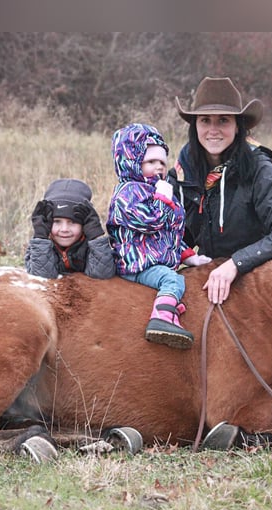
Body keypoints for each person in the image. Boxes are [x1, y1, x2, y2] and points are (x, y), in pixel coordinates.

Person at [171, 76, 272, 305]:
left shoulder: (259, 170)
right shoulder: (183, 171)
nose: (213, 130)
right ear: (195, 126)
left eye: (223, 120)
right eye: (205, 120)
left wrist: (236, 263)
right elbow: (175, 231)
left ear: (237, 127)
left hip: (257, 275)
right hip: (207, 275)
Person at [106, 123, 212, 349]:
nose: (158, 168)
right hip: (138, 265)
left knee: (185, 280)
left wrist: (188, 256)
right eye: (150, 161)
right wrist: (163, 200)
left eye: (162, 162)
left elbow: (169, 233)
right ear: (132, 162)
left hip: (156, 261)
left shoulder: (158, 191)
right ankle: (161, 319)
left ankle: (171, 307)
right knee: (172, 280)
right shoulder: (129, 192)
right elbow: (150, 223)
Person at [25, 178, 115, 279]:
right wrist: (41, 237)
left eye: (73, 222)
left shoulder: (92, 246)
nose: (64, 229)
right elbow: (42, 278)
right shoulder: (39, 247)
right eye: (57, 221)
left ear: (84, 223)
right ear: (48, 222)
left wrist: (95, 236)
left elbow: (102, 274)